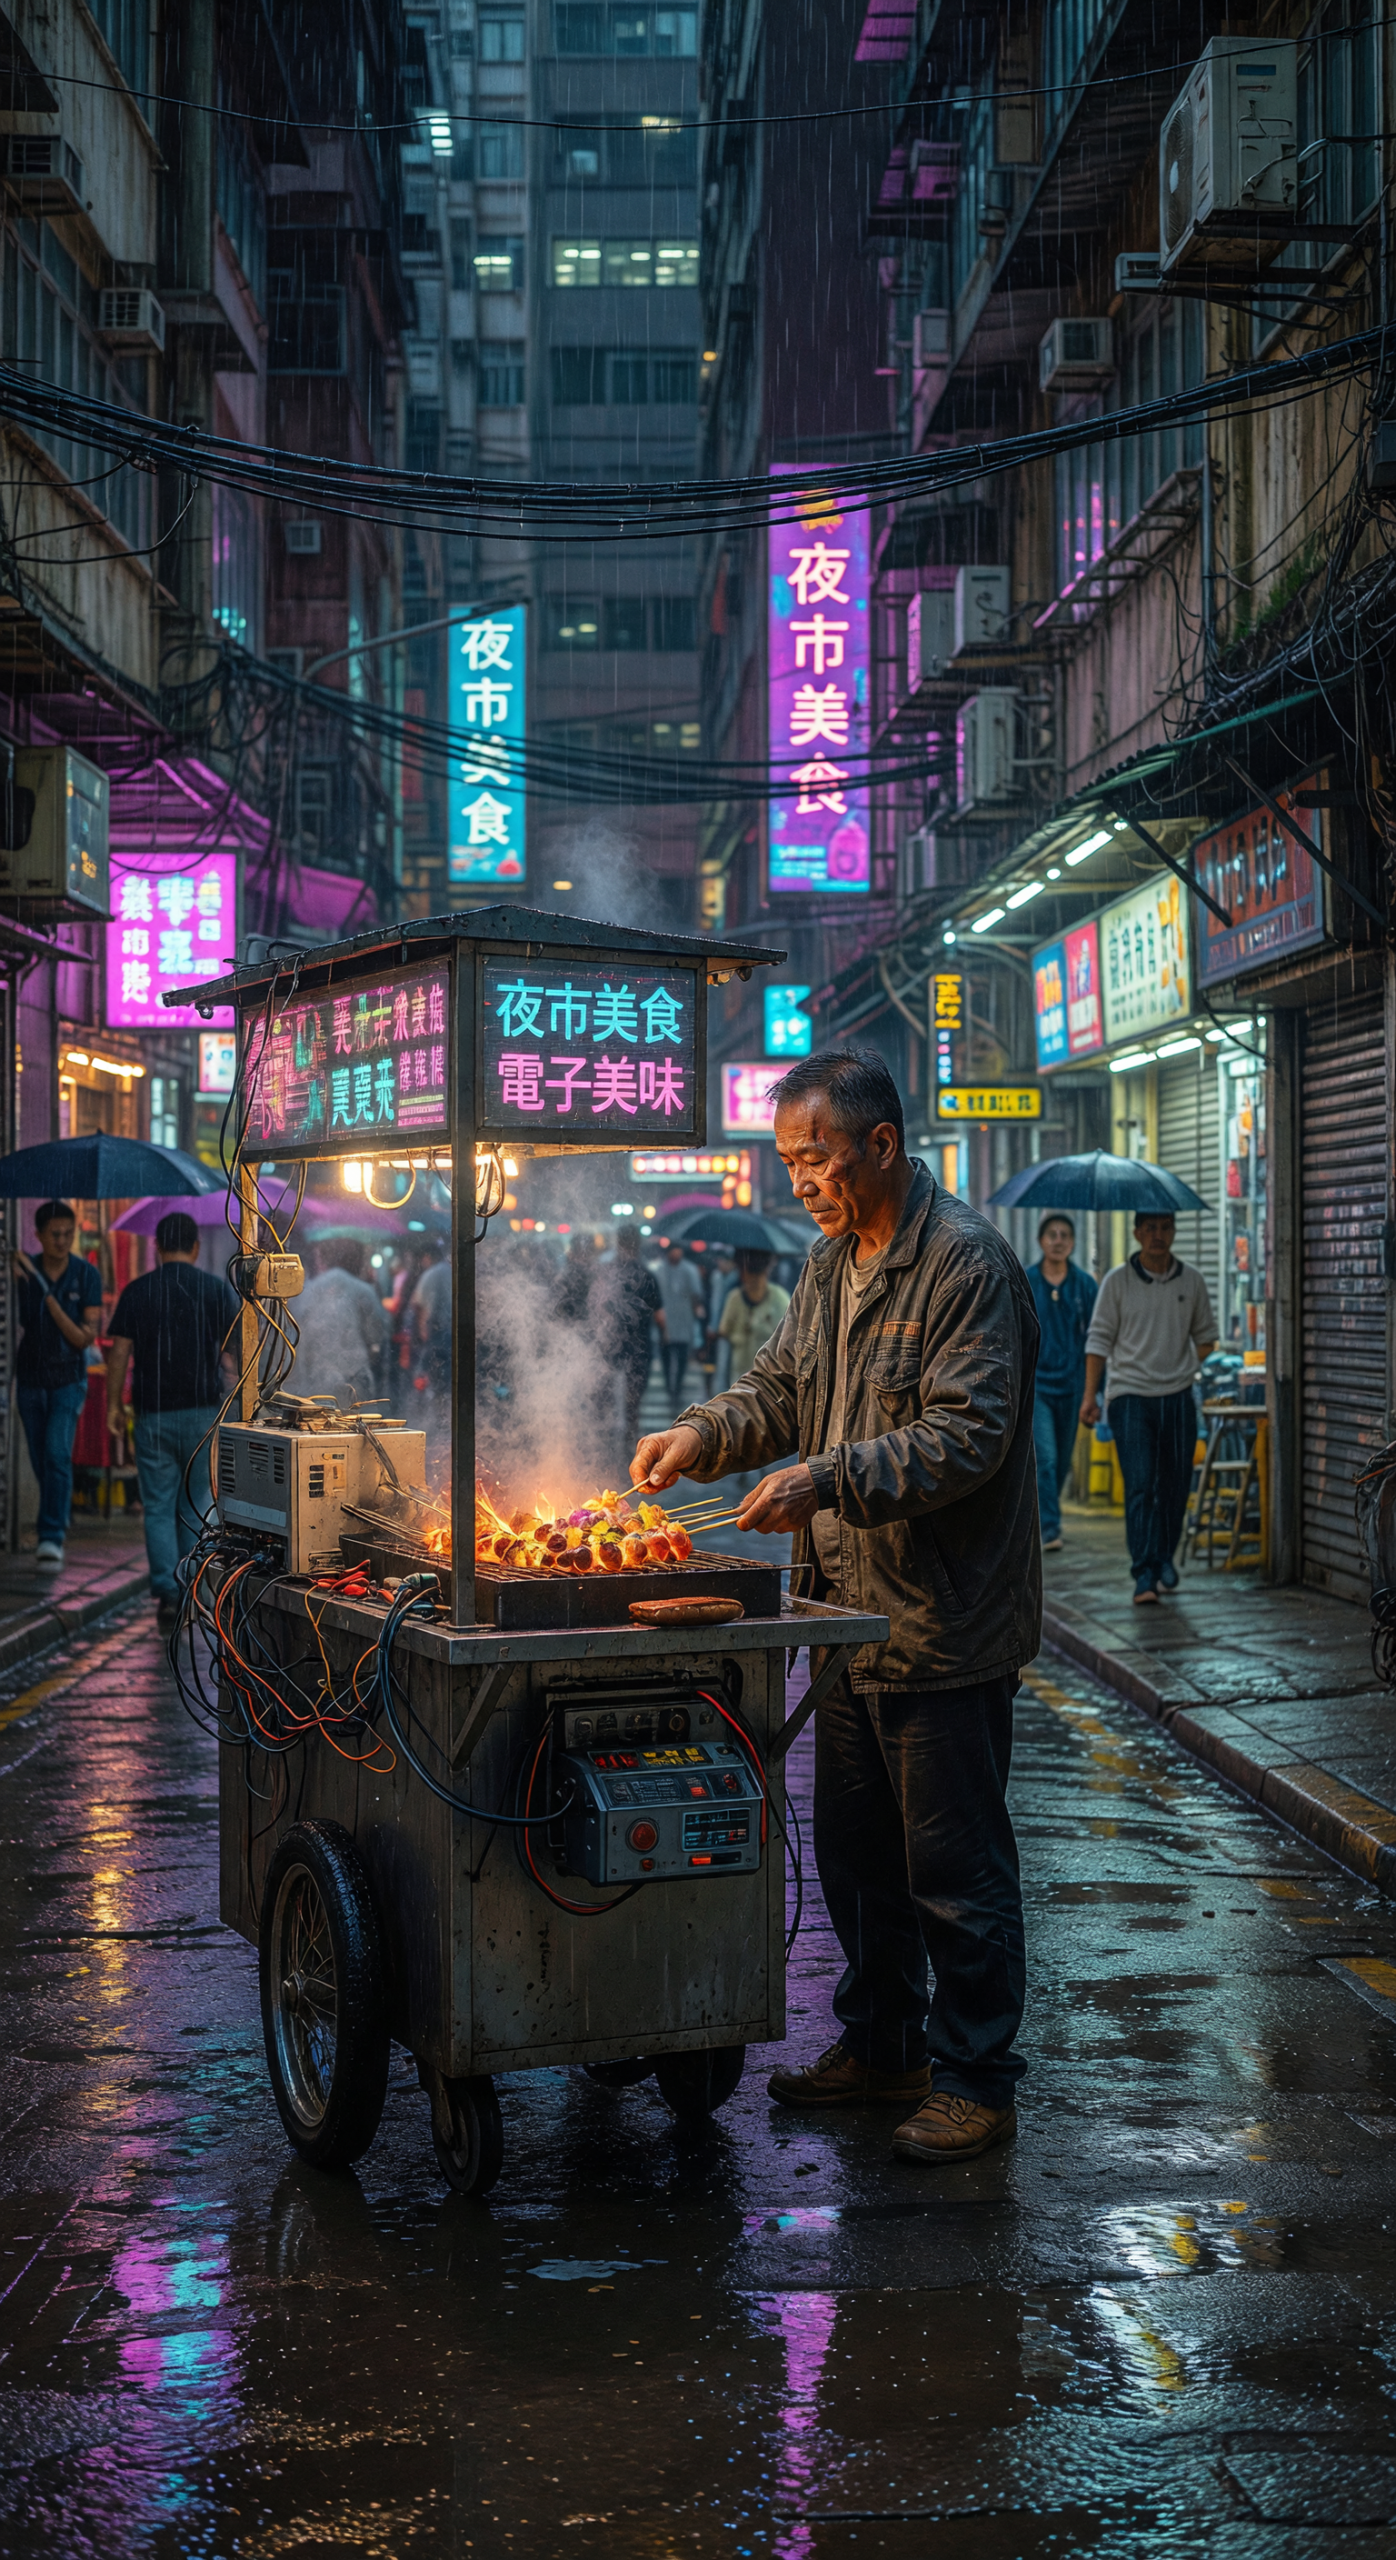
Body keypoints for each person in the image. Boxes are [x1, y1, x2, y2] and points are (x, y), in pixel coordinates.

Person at [631, 1047, 1041, 2166]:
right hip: (843, 1618)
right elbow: (778, 1389)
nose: (800, 1181)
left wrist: (828, 1477)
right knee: (858, 1854)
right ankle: (882, 2046)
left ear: (880, 1145)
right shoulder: (825, 1267)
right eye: (788, 1162)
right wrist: (705, 1434)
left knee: (952, 1870)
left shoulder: (965, 1267)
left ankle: (975, 2078)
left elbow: (968, 1435)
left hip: (939, 1622)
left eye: (815, 1159)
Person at [106, 1212, 240, 1629]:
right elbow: (233, 1359)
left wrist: (113, 1404)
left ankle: (168, 1590)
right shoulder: (216, 1291)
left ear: (156, 1247)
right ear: (196, 1246)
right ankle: (193, 1586)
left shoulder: (138, 1291)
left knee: (159, 1506)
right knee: (196, 1504)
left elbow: (120, 1353)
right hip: (202, 1412)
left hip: (153, 1415)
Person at [1081, 1210, 1217, 1606]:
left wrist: (1186, 1365)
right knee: (1141, 1485)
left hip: (1177, 1397)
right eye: (1151, 1228)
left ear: (1174, 1232)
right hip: (1129, 1399)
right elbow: (1098, 1342)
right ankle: (1144, 1573)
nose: (1158, 1235)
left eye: (1166, 1228)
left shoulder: (1191, 1281)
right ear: (1138, 1232)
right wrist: (1091, 1397)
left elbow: (1206, 1338)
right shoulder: (1117, 1282)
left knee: (1175, 1486)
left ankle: (1163, 1558)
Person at [12, 1200, 104, 1567]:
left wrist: (52, 1306)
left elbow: (84, 1339)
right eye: (55, 1234)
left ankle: (51, 1534)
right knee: (39, 1456)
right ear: (39, 1235)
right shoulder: (24, 1271)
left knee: (56, 1453)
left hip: (68, 1378)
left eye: (69, 1233)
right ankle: (57, 1509)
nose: (62, 1240)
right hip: (30, 1378)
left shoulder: (86, 1276)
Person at [1025, 1213, 1096, 1553]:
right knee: (1047, 1460)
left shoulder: (1085, 1286)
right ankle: (1049, 1527)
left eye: (1064, 1234)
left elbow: (1097, 1340)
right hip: (1038, 1387)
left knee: (1063, 1461)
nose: (1057, 1240)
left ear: (1072, 1243)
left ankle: (1046, 1514)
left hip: (1073, 1386)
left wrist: (1094, 1392)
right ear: (1041, 1241)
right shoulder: (1026, 1281)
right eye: (1051, 1234)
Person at [292, 1240, 385, 1409]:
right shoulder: (363, 1290)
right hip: (356, 1379)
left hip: (316, 1381)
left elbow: (299, 1338)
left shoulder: (307, 1291)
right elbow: (376, 1334)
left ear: (323, 1259)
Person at [593, 1224, 662, 1446]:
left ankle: (604, 1437)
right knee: (634, 1397)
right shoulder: (647, 1275)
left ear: (618, 1242)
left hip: (610, 1344)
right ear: (638, 1244)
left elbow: (597, 1309)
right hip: (640, 1347)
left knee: (604, 1394)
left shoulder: (606, 1274)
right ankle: (631, 1436)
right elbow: (660, 1316)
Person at [717, 1250, 791, 1385]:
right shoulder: (735, 1299)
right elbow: (724, 1332)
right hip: (739, 1379)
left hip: (768, 1382)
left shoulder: (780, 1300)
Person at [653, 1243, 706, 1403]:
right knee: (666, 1358)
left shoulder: (690, 1270)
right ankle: (670, 1387)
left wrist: (697, 1312)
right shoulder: (658, 1270)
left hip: (684, 1320)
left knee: (682, 1358)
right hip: (665, 1322)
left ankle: (678, 1386)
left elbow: (696, 1295)